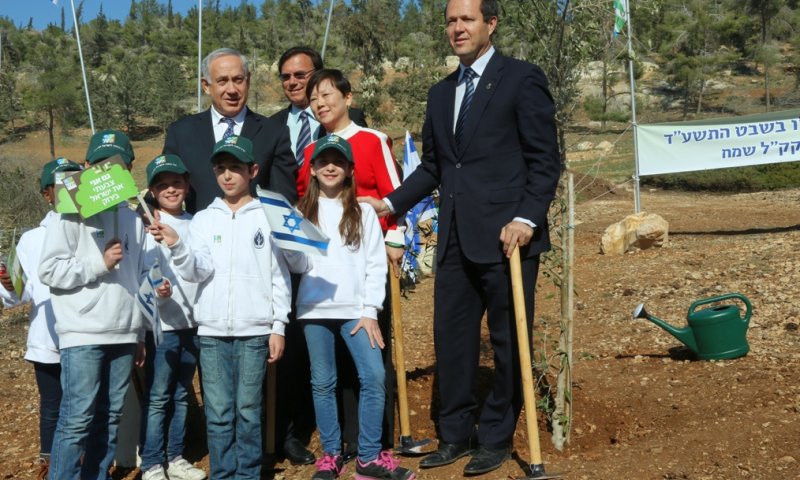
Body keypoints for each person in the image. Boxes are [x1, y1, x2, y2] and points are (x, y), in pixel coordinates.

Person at [358, 0, 561, 476]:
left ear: (491, 23)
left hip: (507, 240)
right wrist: (389, 204)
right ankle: (455, 434)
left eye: (467, 19)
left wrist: (527, 219)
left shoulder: (521, 78)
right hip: (451, 238)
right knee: (451, 339)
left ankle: (494, 437)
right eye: (451, 20)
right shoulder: (440, 92)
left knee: (509, 342)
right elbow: (434, 167)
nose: (458, 28)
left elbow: (544, 159)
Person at [149, 135, 292, 479]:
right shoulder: (203, 220)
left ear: (253, 171)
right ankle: (223, 473)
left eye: (236, 168)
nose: (228, 175)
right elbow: (197, 270)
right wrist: (177, 244)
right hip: (211, 331)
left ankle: (247, 474)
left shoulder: (269, 215)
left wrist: (278, 326)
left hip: (255, 330)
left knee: (247, 409)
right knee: (218, 411)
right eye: (221, 169)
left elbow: (279, 275)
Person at [269, 46, 368, 466]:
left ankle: (356, 439)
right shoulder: (270, 127)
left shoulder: (355, 127)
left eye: (302, 76)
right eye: (287, 77)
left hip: (349, 249)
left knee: (356, 355)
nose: (295, 83)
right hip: (294, 249)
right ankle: (296, 433)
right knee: (299, 352)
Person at [294, 134, 414, 480]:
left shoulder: (362, 211)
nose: (330, 167)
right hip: (314, 310)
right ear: (313, 170)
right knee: (323, 382)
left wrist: (370, 310)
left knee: (374, 377)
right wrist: (291, 246)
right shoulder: (300, 212)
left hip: (355, 311)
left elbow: (375, 264)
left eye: (338, 162)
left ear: (349, 170)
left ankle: (368, 457)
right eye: (322, 161)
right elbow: (296, 266)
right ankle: (331, 455)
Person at [299, 68, 403, 457]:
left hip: (365, 260)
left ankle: (374, 447)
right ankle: (338, 446)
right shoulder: (312, 150)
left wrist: (396, 235)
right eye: (314, 98)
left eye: (327, 95)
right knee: (326, 378)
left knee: (372, 365)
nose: (321, 103)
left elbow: (396, 193)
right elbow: (304, 207)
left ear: (347, 97)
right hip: (321, 288)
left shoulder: (373, 140)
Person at [38, 130, 149, 479]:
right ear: (86, 167)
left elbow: (138, 279)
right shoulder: (68, 214)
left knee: (110, 417)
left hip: (124, 332)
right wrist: (98, 263)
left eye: (118, 163)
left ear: (129, 169)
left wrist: (140, 331)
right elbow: (49, 270)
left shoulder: (135, 219)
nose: (109, 170)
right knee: (77, 419)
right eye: (101, 163)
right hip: (82, 332)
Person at [0, 158, 82, 480]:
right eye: (58, 186)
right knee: (52, 406)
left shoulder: (91, 227)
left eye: (73, 183)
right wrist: (9, 286)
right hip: (47, 339)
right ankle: (50, 463)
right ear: (47, 194)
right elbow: (19, 295)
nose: (66, 190)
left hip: (85, 334)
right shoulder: (31, 239)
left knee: (86, 404)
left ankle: (86, 460)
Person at [163, 47, 296, 213]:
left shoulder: (273, 132)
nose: (232, 90)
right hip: (199, 234)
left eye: (238, 80)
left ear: (248, 81)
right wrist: (148, 208)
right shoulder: (181, 132)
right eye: (222, 81)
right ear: (206, 86)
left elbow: (284, 195)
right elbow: (163, 181)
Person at [138, 155, 206, 480]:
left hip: (193, 324)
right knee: (158, 395)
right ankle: (152, 461)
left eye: (176, 182)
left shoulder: (198, 224)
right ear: (151, 191)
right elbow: (139, 275)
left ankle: (176, 457)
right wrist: (155, 287)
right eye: (162, 184)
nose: (170, 189)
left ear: (187, 185)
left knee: (182, 393)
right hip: (162, 327)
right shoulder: (144, 228)